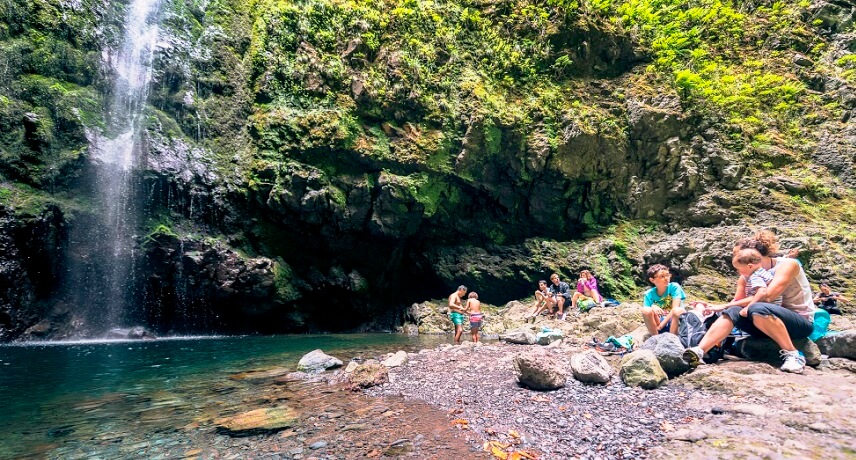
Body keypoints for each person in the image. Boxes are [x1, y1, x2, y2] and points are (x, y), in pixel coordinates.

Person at [684, 231, 815, 373]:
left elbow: (768, 296)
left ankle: (793, 354)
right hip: (763, 323)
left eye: (737, 254)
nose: (735, 258)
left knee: (757, 308)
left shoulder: (788, 265)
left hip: (799, 323)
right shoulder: (747, 275)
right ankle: (700, 351)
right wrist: (714, 308)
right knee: (733, 311)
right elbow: (737, 303)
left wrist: (726, 305)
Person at [641, 264, 687, 336]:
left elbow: (675, 308)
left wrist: (661, 326)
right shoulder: (648, 294)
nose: (666, 278)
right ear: (652, 280)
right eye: (662, 276)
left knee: (677, 310)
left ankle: (673, 339)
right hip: (657, 323)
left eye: (667, 275)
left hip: (674, 321)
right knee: (646, 310)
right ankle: (655, 338)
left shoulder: (674, 287)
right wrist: (653, 307)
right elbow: (646, 312)